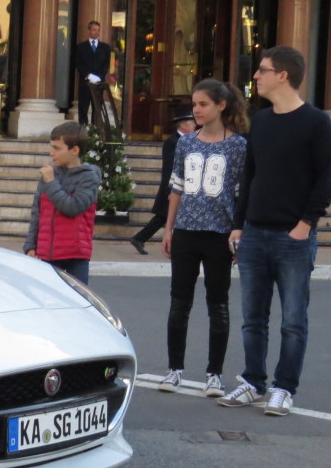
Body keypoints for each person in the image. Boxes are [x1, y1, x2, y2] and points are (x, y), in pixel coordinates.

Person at [218, 46, 331, 417]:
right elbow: (249, 177)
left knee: (292, 320)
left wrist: (305, 226)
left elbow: (325, 180)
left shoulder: (318, 123)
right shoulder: (263, 121)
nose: (256, 76)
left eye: (263, 70)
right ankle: (253, 381)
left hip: (293, 236)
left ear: (283, 75)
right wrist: (238, 225)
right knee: (252, 317)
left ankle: (284, 388)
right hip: (254, 233)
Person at [157, 81, 249, 399]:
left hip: (219, 234)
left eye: (203, 104)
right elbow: (176, 188)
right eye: (194, 104)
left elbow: (241, 195)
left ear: (221, 106)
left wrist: (239, 231)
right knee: (179, 303)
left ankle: (214, 374)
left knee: (217, 304)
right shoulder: (185, 143)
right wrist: (168, 228)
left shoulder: (238, 146)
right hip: (185, 232)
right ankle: (174, 370)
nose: (196, 110)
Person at [24, 121, 102, 284]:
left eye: (57, 148)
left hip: (75, 256)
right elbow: (37, 212)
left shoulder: (88, 177)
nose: (51, 153)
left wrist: (51, 181)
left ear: (74, 150)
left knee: (77, 302)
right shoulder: (49, 174)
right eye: (51, 147)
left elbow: (72, 207)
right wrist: (30, 245)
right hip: (46, 254)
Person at [129, 112, 196, 254]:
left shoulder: (185, 140)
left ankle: (140, 238)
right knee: (164, 216)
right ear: (183, 125)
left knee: (163, 217)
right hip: (172, 187)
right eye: (191, 123)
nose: (194, 126)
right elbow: (170, 168)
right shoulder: (174, 141)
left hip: (178, 186)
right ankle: (141, 239)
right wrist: (170, 189)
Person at [72, 21, 113, 124]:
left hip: (98, 84)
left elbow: (106, 65)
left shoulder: (105, 48)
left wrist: (99, 77)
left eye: (98, 30)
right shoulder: (80, 47)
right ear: (89, 31)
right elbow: (78, 63)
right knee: (83, 109)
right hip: (85, 83)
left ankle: (95, 133)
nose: (96, 32)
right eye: (94, 30)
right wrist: (88, 75)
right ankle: (83, 132)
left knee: (97, 110)